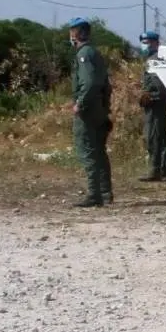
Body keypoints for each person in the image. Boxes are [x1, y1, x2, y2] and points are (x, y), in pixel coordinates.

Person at [68, 17, 114, 207]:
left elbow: (89, 82)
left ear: (77, 33)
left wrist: (80, 103)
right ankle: (105, 193)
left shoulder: (84, 54)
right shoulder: (94, 52)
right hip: (99, 108)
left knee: (87, 149)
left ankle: (94, 194)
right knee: (99, 151)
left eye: (72, 31)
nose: (70, 35)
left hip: (89, 110)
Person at [137, 30, 166, 181]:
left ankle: (155, 170)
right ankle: (165, 170)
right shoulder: (155, 58)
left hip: (156, 102)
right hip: (160, 101)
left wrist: (150, 96)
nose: (144, 45)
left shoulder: (155, 59)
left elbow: (157, 84)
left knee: (153, 135)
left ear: (155, 43)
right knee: (162, 135)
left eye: (147, 42)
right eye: (143, 42)